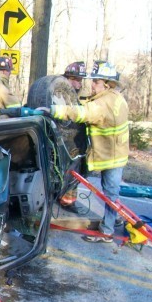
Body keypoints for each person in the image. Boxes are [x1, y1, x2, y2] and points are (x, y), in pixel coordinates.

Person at [42, 61, 129, 243]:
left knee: (110, 193)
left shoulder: (104, 103)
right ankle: (114, 218)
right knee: (111, 192)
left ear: (107, 83)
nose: (91, 85)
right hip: (114, 153)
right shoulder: (114, 97)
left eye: (96, 82)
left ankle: (107, 231)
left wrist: (52, 109)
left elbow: (83, 113)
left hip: (110, 156)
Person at [59, 61, 90, 214]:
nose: (78, 85)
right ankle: (63, 200)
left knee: (75, 172)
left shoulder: (80, 96)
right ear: (66, 78)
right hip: (63, 141)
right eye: (75, 80)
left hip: (77, 142)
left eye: (80, 81)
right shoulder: (57, 94)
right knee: (65, 171)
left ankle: (67, 201)